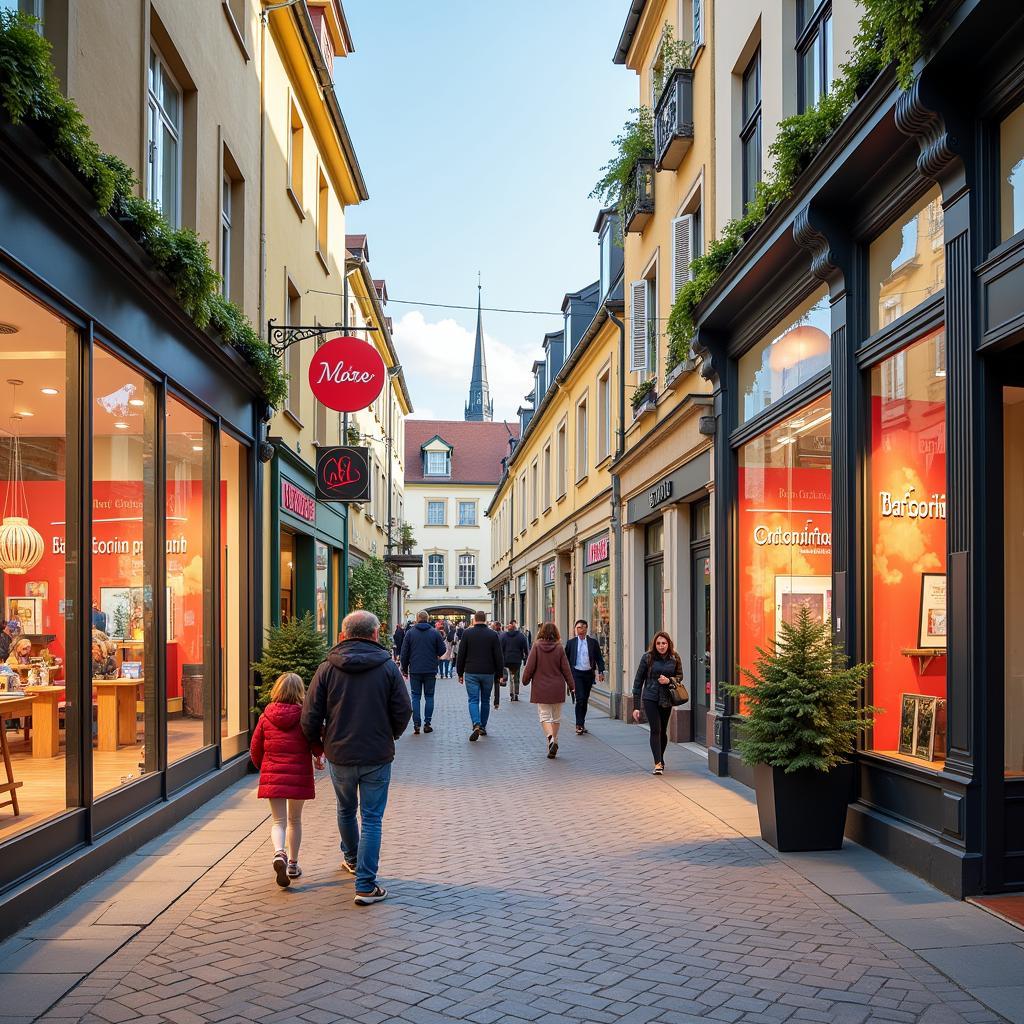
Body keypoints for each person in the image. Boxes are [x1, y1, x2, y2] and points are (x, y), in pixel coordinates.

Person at [302, 610, 411, 905]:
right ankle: (365, 884)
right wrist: (391, 734)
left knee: (346, 809)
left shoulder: (327, 668)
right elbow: (404, 709)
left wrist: (317, 745)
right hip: (376, 753)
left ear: (342, 635)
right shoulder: (387, 667)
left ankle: (351, 859)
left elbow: (310, 714)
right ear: (375, 634)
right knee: (372, 818)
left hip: (340, 752)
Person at [250, 673, 324, 887]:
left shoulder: (265, 717)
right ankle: (292, 864)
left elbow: (255, 749)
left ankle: (278, 853)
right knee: (295, 820)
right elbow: (314, 740)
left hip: (273, 775)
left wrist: (264, 768)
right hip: (298, 775)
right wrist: (319, 755)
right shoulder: (304, 716)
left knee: (278, 821)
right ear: (300, 692)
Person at [631, 631, 684, 775]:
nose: (661, 646)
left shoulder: (675, 657)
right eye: (659, 643)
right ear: (655, 644)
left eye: (664, 643)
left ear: (669, 644)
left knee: (663, 731)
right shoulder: (647, 657)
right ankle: (657, 763)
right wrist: (636, 706)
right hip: (650, 697)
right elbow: (638, 682)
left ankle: (660, 757)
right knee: (655, 729)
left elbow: (680, 676)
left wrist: (669, 680)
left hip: (666, 698)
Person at [521, 622, 575, 759]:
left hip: (541, 686)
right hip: (557, 686)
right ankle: (554, 740)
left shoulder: (537, 646)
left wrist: (525, 680)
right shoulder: (559, 648)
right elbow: (566, 669)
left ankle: (550, 738)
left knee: (544, 715)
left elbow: (530, 666)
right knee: (556, 717)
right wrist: (572, 685)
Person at [455, 609, 503, 741]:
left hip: (471, 672)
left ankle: (476, 723)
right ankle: (482, 726)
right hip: (488, 672)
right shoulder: (493, 635)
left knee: (473, 699)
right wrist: (499, 673)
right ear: (486, 620)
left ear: (474, 620)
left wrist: (459, 673)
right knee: (485, 700)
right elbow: (498, 656)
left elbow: (461, 655)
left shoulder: (467, 633)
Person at [400, 610, 445, 735]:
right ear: (428, 618)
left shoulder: (410, 633)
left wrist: (404, 668)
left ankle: (416, 724)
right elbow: (442, 650)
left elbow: (404, 653)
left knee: (415, 696)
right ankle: (427, 723)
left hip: (415, 669)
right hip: (430, 669)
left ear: (417, 618)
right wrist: (435, 654)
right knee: (429, 696)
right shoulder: (434, 633)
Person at [565, 619, 606, 735]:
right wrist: (567, 675)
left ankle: (582, 723)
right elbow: (566, 660)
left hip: (588, 674)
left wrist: (601, 671)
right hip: (576, 674)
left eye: (583, 627)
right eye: (578, 628)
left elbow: (599, 658)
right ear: (575, 629)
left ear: (586, 629)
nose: (581, 630)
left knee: (585, 699)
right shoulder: (571, 643)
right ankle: (578, 724)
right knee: (580, 699)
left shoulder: (593, 642)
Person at [500, 619, 530, 702]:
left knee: (510, 675)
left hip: (506, 660)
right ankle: (516, 693)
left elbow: (500, 649)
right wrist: (526, 659)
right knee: (516, 676)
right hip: (517, 660)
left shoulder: (503, 636)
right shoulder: (521, 636)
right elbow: (526, 649)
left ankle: (511, 692)